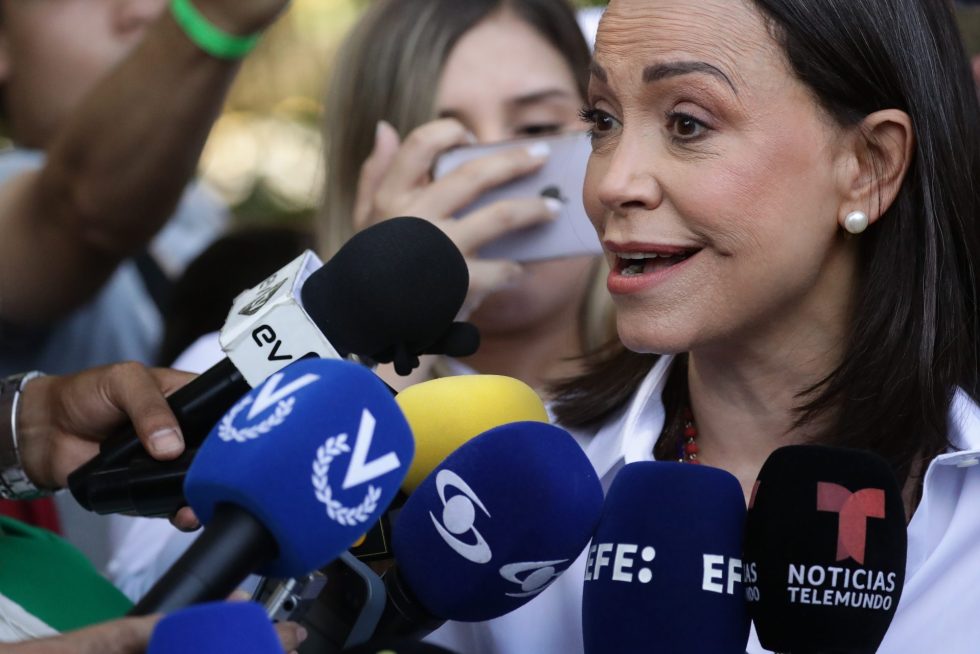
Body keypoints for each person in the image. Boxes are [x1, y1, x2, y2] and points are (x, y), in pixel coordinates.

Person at [430, 0, 980, 653]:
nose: (613, 182)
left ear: (869, 165)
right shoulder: (511, 504)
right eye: (602, 121)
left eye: (687, 124)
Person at [107, 0, 618, 600]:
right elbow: (168, 603)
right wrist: (391, 330)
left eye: (536, 132)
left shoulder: (683, 385)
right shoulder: (234, 369)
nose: (497, 174)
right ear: (367, 171)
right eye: (446, 151)